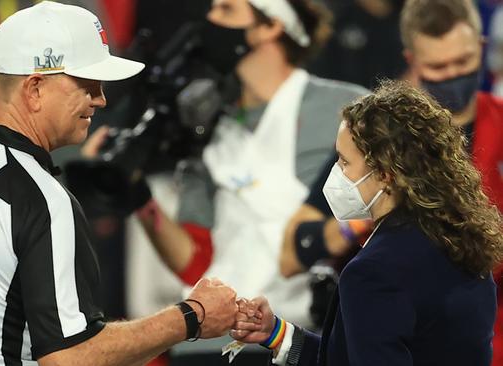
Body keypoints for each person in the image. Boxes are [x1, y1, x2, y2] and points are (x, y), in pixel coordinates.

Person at [0, 2, 239, 365]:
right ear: (35, 88)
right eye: (87, 83)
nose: (100, 99)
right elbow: (68, 357)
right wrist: (191, 316)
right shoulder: (40, 198)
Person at [87, 0, 366, 363]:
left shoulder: (346, 108)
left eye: (227, 9)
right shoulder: (205, 122)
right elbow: (195, 262)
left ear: (272, 26)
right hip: (210, 342)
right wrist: (138, 198)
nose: (211, 19)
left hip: (297, 338)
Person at [279, 1, 503, 363]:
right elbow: (292, 251)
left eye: (461, 63)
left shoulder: (377, 271)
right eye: (437, 66)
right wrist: (360, 222)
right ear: (412, 59)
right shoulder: (377, 137)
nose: (451, 76)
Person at [233, 80, 503, 366]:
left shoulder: (373, 272)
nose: (336, 173)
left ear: (385, 173)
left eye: (344, 162)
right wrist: (276, 333)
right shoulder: (464, 244)